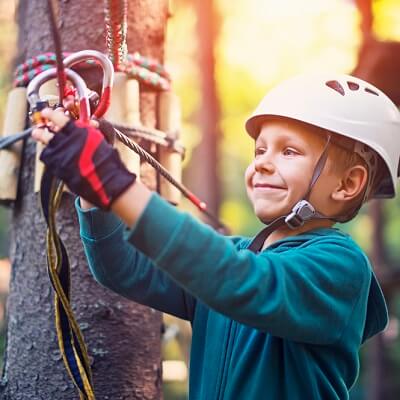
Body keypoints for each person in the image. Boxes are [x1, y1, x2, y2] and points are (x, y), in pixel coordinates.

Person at [32, 73, 400, 399]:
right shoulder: (237, 258)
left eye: (289, 151)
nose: (262, 163)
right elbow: (123, 268)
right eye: (259, 150)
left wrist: (113, 181)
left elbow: (240, 281)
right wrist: (92, 191)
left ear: (348, 183)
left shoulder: (340, 266)